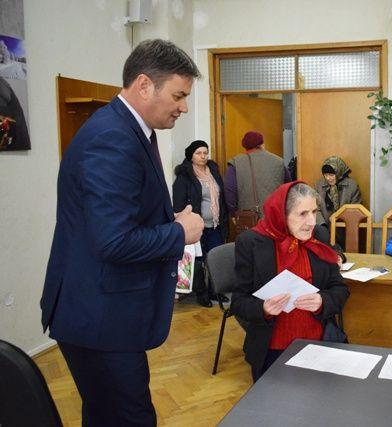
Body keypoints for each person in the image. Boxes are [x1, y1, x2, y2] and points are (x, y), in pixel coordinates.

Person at [40, 39, 204, 426]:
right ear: (144, 85)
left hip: (104, 312)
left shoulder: (129, 130)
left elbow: (120, 217)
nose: (183, 107)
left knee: (106, 415)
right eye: (179, 95)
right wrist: (179, 232)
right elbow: (114, 241)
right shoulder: (112, 138)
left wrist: (167, 220)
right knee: (129, 417)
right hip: (98, 316)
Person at [231, 181, 350, 382]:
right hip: (272, 350)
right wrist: (263, 308)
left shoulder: (318, 236)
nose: (311, 222)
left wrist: (323, 301)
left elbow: (340, 289)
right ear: (281, 214)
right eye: (303, 214)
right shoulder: (251, 242)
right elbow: (238, 302)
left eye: (314, 212)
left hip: (318, 345)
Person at [173, 140, 229, 306]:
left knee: (215, 259)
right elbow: (178, 204)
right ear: (191, 156)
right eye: (199, 153)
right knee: (198, 261)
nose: (203, 156)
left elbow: (221, 197)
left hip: (216, 225)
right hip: (196, 227)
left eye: (205, 152)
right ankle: (201, 293)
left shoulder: (213, 171)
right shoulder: (184, 176)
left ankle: (214, 291)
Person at [223, 130, 291, 219]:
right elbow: (288, 187)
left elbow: (229, 191)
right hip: (276, 216)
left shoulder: (236, 163)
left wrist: (233, 213)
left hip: (248, 219)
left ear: (245, 145)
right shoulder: (278, 161)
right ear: (262, 144)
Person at [315, 156, 362, 226]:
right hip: (324, 227)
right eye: (325, 175)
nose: (328, 178)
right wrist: (322, 226)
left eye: (331, 175)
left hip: (345, 228)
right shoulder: (319, 185)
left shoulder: (352, 186)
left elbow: (355, 210)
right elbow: (315, 208)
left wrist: (338, 217)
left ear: (339, 173)